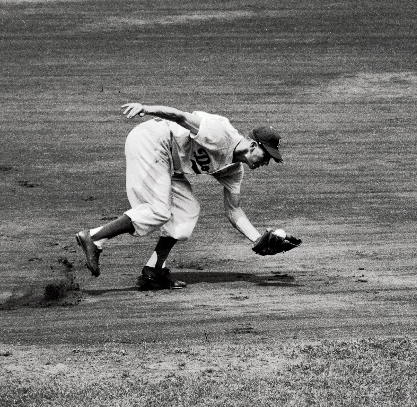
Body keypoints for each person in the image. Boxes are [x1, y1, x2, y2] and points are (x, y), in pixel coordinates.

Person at [75, 102, 283, 289]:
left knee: (186, 213)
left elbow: (234, 209)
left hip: (172, 166)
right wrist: (146, 108)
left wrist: (257, 239)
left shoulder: (234, 171)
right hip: (152, 141)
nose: (266, 163)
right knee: (159, 210)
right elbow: (179, 116)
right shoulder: (219, 133)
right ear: (254, 145)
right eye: (267, 156)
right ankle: (94, 237)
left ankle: (154, 269)